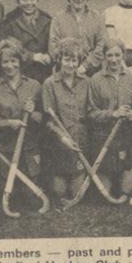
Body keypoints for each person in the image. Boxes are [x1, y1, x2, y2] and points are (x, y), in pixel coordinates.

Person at [0, 38, 43, 205]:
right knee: (3, 195)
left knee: (32, 201)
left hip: (28, 148)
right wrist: (8, 123)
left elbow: (42, 119)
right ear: (0, 63)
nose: (9, 66)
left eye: (13, 61)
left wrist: (32, 114)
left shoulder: (34, 86)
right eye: (5, 62)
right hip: (5, 149)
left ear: (20, 61)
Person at [88, 39, 132, 201]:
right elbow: (91, 112)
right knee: (106, 193)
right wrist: (113, 114)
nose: (113, 59)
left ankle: (122, 181)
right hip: (103, 137)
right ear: (104, 57)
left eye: (117, 55)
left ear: (124, 55)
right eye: (109, 55)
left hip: (126, 136)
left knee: (127, 190)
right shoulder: (95, 80)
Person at [42, 38, 90, 200]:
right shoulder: (49, 84)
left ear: (79, 61)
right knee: (59, 192)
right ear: (59, 59)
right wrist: (62, 138)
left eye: (74, 60)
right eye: (67, 60)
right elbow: (48, 121)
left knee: (78, 194)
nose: (70, 64)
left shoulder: (86, 82)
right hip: (59, 144)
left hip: (80, 142)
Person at [49, 0, 106, 76]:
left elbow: (102, 44)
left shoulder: (97, 17)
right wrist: (68, 64)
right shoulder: (58, 18)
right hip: (64, 70)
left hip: (91, 71)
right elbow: (53, 45)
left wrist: (86, 65)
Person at [0, 0, 53, 83]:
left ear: (37, 0)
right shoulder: (9, 20)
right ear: (18, 1)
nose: (29, 3)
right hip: (21, 71)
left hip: (44, 71)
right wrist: (31, 57)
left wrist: (49, 55)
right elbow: (8, 46)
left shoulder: (47, 19)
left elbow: (53, 41)